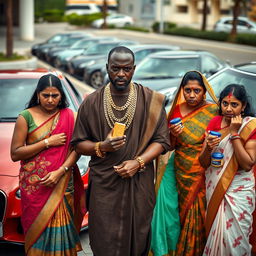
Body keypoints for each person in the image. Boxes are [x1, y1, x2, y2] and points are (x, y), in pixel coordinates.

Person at [71, 46, 170, 256]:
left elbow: (162, 141)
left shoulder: (150, 100)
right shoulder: (91, 102)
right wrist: (101, 146)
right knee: (103, 237)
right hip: (105, 185)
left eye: (127, 69)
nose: (121, 74)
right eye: (116, 69)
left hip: (139, 182)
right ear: (107, 68)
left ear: (134, 69)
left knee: (139, 238)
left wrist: (139, 162)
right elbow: (78, 143)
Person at [10, 74, 86, 256]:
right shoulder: (25, 117)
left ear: (61, 95)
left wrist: (61, 171)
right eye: (46, 95)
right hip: (36, 185)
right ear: (38, 94)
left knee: (63, 228)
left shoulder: (70, 116)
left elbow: (77, 149)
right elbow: (15, 153)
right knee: (38, 230)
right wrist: (47, 142)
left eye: (55, 95)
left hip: (62, 181)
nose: (50, 100)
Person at [150, 71, 219, 256]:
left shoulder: (214, 111)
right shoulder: (176, 111)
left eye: (196, 90)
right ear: (182, 90)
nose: (191, 95)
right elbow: (169, 146)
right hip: (179, 167)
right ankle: (170, 249)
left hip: (203, 170)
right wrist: (173, 134)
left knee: (195, 214)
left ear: (204, 91)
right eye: (187, 90)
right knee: (171, 210)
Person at [199, 84, 256, 256]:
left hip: (239, 191)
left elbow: (248, 164)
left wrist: (234, 134)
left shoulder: (250, 126)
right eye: (225, 104)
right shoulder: (215, 122)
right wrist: (208, 148)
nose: (228, 109)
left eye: (234, 105)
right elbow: (203, 162)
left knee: (235, 239)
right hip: (215, 187)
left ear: (244, 106)